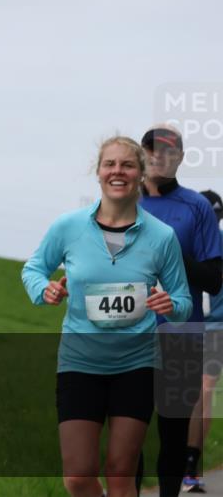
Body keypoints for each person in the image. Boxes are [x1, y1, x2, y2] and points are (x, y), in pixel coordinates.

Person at [22, 135, 192, 497]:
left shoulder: (161, 236)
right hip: (80, 362)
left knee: (120, 473)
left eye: (127, 165)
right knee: (78, 477)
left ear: (140, 173)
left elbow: (183, 300)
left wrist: (171, 305)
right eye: (110, 164)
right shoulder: (68, 227)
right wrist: (44, 290)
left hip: (137, 364)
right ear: (98, 172)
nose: (118, 171)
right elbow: (33, 269)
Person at [137, 127, 223, 497]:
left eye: (168, 151)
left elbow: (214, 279)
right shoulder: (121, 202)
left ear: (181, 158)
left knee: (172, 435)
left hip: (181, 333)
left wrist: (169, 251)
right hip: (127, 334)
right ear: (142, 154)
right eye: (152, 150)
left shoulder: (196, 207)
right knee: (129, 431)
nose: (159, 156)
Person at [180, 190, 223, 493]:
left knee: (200, 392)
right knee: (201, 393)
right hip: (196, 324)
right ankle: (189, 467)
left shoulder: (181, 239)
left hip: (206, 326)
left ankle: (188, 466)